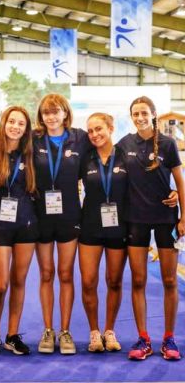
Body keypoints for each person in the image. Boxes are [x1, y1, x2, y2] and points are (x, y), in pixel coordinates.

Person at [117, 96, 184, 361]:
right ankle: (143, 338)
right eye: (135, 114)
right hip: (135, 220)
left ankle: (169, 338)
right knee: (138, 280)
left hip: (166, 218)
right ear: (131, 116)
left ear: (153, 114)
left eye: (144, 113)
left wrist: (183, 217)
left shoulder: (167, 144)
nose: (140, 117)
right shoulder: (124, 144)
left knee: (169, 280)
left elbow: (180, 181)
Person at [32, 93, 91, 355]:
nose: (51, 117)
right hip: (41, 216)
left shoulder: (80, 138)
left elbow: (108, 155)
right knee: (46, 273)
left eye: (56, 111)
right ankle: (48, 329)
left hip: (69, 215)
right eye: (46, 112)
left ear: (65, 113)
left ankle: (65, 331)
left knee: (66, 274)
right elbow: (1, 143)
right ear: (41, 116)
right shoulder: (33, 139)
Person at [0, 105, 38, 355]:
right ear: (4, 122)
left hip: (26, 224)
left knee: (19, 281)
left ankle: (12, 335)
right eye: (12, 121)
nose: (15, 127)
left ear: (26, 129)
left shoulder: (31, 153)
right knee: (1, 284)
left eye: (21, 123)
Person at [79, 113, 128, 352]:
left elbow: (146, 184)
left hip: (119, 226)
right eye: (90, 131)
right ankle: (94, 332)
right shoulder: (85, 158)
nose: (94, 134)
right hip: (90, 225)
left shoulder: (125, 156)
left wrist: (172, 194)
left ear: (110, 128)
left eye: (99, 129)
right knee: (88, 281)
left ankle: (109, 330)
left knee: (114, 281)